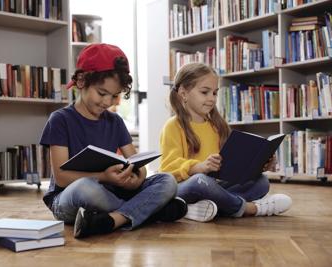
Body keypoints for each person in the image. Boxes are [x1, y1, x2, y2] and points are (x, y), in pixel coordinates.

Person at [40, 43, 187, 239]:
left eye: (115, 96)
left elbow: (138, 163)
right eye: (102, 93)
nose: (108, 102)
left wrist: (137, 179)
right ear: (82, 80)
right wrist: (103, 177)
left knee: (167, 180)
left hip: (113, 193)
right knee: (86, 188)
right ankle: (151, 212)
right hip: (69, 198)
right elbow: (61, 177)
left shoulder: (115, 121)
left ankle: (114, 219)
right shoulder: (60, 120)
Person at [159, 62, 292, 222]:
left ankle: (198, 209)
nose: (211, 98)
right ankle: (249, 208)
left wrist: (260, 164)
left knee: (261, 182)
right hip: (186, 187)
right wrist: (200, 167)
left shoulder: (217, 126)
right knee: (200, 181)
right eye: (204, 92)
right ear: (183, 93)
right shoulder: (173, 125)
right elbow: (168, 168)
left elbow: (230, 164)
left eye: (215, 93)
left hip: (214, 187)